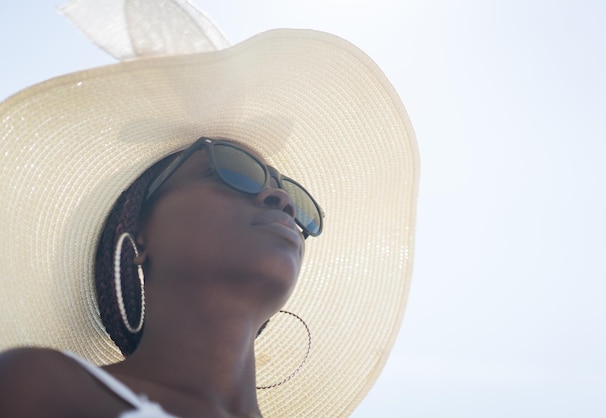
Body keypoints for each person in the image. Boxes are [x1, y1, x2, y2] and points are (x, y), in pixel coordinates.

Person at [0, 1, 419, 417]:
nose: (284, 201)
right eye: (233, 170)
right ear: (139, 231)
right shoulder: (41, 391)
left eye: (299, 203)